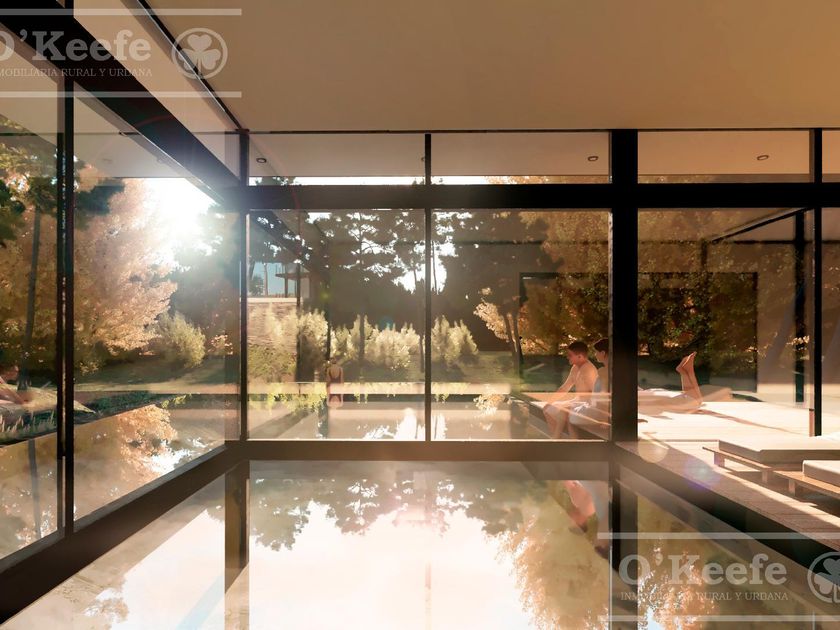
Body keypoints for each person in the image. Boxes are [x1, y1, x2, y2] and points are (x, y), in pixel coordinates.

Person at [543, 341, 598, 437]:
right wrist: (549, 402)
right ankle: (557, 439)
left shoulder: (589, 370)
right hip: (577, 401)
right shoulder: (575, 368)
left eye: (570, 355)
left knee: (564, 411)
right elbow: (565, 388)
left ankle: (556, 439)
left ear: (580, 356)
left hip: (586, 404)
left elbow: (596, 394)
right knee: (547, 410)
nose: (567, 357)